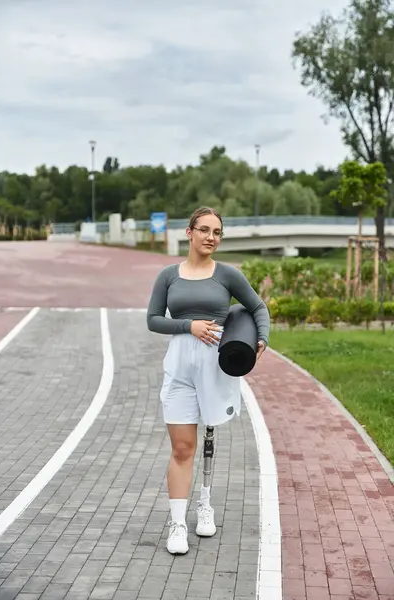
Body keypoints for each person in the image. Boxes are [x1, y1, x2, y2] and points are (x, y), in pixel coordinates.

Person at [146, 206, 270, 555]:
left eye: (217, 232)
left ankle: (205, 503)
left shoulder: (227, 275)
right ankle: (177, 524)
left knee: (210, 434)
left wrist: (262, 338)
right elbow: (153, 320)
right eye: (204, 230)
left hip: (216, 365)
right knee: (183, 447)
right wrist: (189, 325)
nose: (210, 238)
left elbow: (258, 308)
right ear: (189, 232)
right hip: (180, 366)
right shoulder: (169, 275)